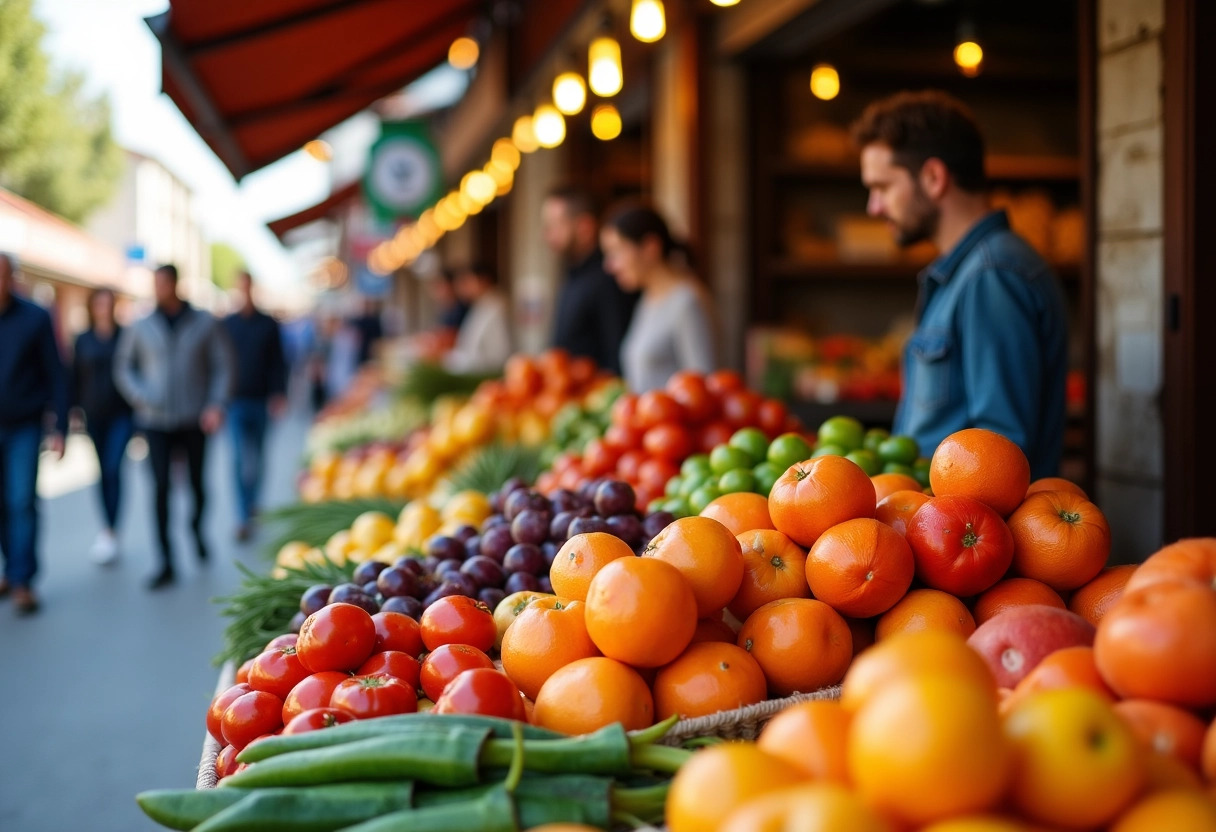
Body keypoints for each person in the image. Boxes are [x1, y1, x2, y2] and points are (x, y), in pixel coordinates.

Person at [853, 90, 1069, 478]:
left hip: (962, 533)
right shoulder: (967, 271)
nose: (874, 207)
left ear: (934, 178)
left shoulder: (993, 275)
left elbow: (998, 455)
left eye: (882, 187)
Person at [114, 264, 234, 589]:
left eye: (163, 283)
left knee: (197, 484)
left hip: (195, 418)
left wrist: (215, 404)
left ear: (175, 284)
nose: (158, 289)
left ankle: (196, 528)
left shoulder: (205, 322)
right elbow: (124, 368)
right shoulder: (140, 325)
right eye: (155, 283)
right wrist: (141, 397)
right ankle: (165, 560)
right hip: (155, 421)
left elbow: (222, 367)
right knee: (161, 488)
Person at [0, 253, 67, 614]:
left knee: (22, 501)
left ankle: (24, 580)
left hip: (25, 425)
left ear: (12, 278)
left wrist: (60, 428)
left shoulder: (35, 317)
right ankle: (12, 568)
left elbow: (56, 373)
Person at [600, 203, 715, 392]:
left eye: (617, 251)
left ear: (650, 247)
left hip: (670, 421)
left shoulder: (686, 303)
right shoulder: (647, 299)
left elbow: (703, 389)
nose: (610, 265)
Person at [542, 186, 638, 374]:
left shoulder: (609, 278)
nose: (547, 235)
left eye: (554, 225)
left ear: (585, 227)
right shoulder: (572, 272)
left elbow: (616, 354)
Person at [222, 271, 287, 542]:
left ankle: (252, 502)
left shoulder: (268, 324)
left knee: (258, 458)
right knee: (238, 459)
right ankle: (242, 514)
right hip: (235, 402)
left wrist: (279, 394)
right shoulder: (227, 325)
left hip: (261, 401)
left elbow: (279, 362)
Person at [72, 288, 133, 564]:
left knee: (113, 467)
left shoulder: (125, 336)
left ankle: (112, 529)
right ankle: (107, 529)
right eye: (99, 303)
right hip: (94, 415)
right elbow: (73, 375)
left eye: (108, 303)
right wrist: (72, 410)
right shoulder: (83, 339)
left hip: (122, 414)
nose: (103, 308)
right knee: (102, 473)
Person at [444, 264, 512, 374]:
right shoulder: (481, 306)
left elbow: (498, 356)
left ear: (484, 281)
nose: (462, 287)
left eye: (468, 281)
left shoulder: (497, 308)